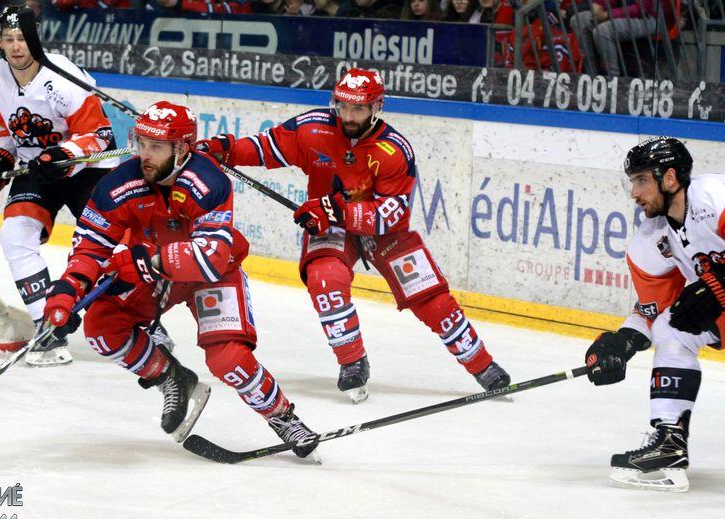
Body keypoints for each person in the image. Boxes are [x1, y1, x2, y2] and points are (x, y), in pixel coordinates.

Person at [196, 69, 510, 404]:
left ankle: (482, 364)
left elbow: (392, 213)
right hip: (329, 224)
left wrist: (335, 210)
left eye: (357, 108)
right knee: (324, 278)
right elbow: (267, 147)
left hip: (381, 230)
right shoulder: (313, 128)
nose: (347, 115)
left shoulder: (393, 150)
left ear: (377, 107)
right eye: (342, 105)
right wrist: (224, 149)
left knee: (431, 298)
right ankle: (352, 361)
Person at [42, 101, 318, 457]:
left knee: (228, 358)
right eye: (142, 143)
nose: (145, 154)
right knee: (101, 327)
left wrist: (144, 262)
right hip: (157, 272)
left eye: (156, 147)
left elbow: (211, 255)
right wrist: (69, 289)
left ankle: (282, 417)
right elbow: (91, 246)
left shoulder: (208, 181)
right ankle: (172, 378)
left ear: (183, 148)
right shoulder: (117, 184)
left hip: (212, 274)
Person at [0, 6, 117, 367]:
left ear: (35, 39)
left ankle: (142, 323)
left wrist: (63, 154)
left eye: (22, 39)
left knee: (110, 248)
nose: (16, 46)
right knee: (14, 234)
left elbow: (101, 136)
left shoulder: (63, 76)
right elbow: (6, 132)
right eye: (8, 39)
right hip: (39, 171)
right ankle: (48, 326)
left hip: (89, 170)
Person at [583, 137, 721, 492]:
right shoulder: (652, 240)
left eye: (642, 180)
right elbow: (653, 310)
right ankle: (670, 444)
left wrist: (718, 286)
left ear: (670, 178)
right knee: (670, 328)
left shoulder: (715, 198)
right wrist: (622, 341)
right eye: (632, 181)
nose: (634, 193)